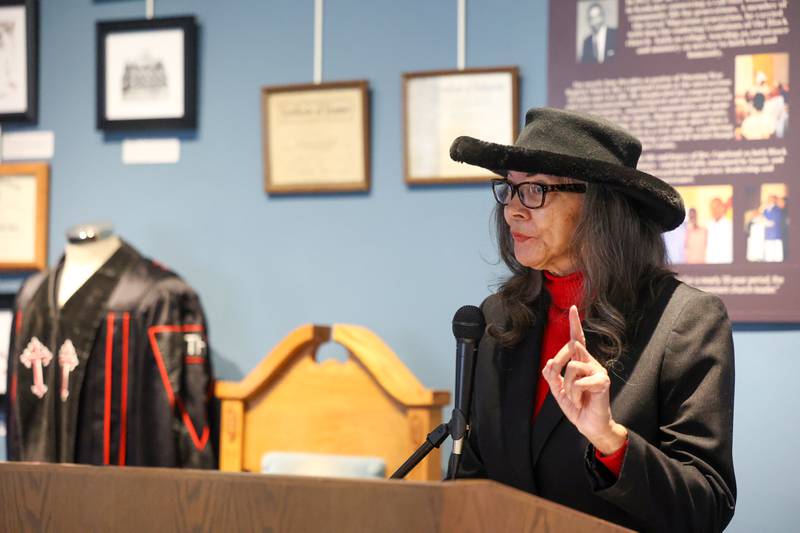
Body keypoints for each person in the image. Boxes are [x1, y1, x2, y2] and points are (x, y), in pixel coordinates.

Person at [448, 107, 735, 532]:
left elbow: (706, 507)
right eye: (509, 189)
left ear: (602, 207)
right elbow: (472, 479)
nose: (513, 211)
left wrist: (610, 441)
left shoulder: (685, 322)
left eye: (536, 191)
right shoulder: (497, 317)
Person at [706, 197, 734, 263]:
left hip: (726, 263)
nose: (714, 210)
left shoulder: (730, 225)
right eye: (712, 208)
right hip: (710, 263)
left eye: (717, 207)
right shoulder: (707, 225)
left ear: (722, 208)